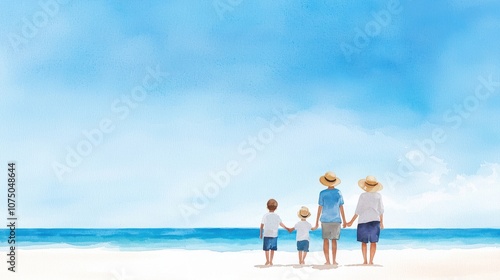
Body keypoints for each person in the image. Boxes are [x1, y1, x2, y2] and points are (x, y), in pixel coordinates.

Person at [347, 175, 385, 265]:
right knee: (374, 242)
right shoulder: (378, 196)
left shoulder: (363, 196)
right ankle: (371, 261)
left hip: (363, 221)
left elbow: (358, 210)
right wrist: (382, 222)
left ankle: (365, 261)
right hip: (375, 220)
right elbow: (381, 210)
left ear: (366, 185)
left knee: (364, 242)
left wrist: (351, 221)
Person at [313, 171, 347, 265]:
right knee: (334, 241)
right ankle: (334, 260)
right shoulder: (338, 192)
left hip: (325, 220)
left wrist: (316, 222)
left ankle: (327, 261)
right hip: (336, 220)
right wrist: (344, 220)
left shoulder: (322, 193)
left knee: (325, 240)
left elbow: (320, 208)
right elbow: (341, 207)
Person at [260, 198, 289, 266]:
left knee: (266, 249)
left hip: (266, 234)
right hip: (274, 235)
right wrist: (287, 228)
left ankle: (267, 261)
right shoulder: (277, 216)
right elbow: (281, 224)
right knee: (272, 249)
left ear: (267, 207)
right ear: (276, 208)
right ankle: (271, 261)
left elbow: (261, 225)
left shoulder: (265, 215)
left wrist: (261, 233)